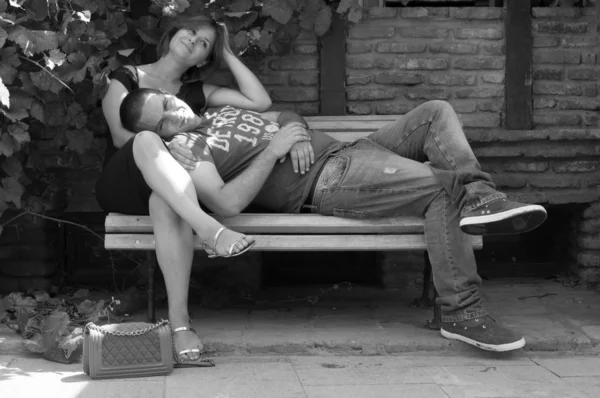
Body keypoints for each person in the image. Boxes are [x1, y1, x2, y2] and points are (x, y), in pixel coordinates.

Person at [120, 88, 548, 352]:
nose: (174, 114)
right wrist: (273, 151)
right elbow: (228, 203)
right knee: (440, 188)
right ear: (161, 134)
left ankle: (479, 194)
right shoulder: (188, 149)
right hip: (328, 181)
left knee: (435, 111)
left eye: (167, 104)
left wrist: (297, 132)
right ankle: (463, 310)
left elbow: (284, 116)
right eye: (163, 122)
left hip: (351, 150)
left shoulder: (221, 113)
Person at [94, 13, 279, 365]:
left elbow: (260, 103)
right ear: (173, 33)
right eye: (192, 31)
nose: (195, 40)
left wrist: (227, 54)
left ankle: (179, 325)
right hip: (124, 178)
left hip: (171, 188)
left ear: (205, 59)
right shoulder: (126, 76)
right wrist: (166, 145)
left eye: (205, 43)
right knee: (147, 137)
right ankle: (210, 229)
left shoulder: (197, 93)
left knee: (166, 202)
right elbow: (120, 135)